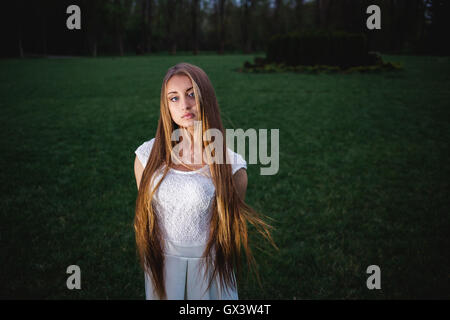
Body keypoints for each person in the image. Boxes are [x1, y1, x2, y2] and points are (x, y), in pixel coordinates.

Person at [133, 62, 276, 300]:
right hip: (162, 264)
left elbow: (226, 231)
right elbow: (147, 218)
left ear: (206, 97)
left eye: (191, 94)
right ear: (165, 106)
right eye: (174, 98)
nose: (185, 104)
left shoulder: (231, 167)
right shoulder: (146, 157)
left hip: (209, 269)